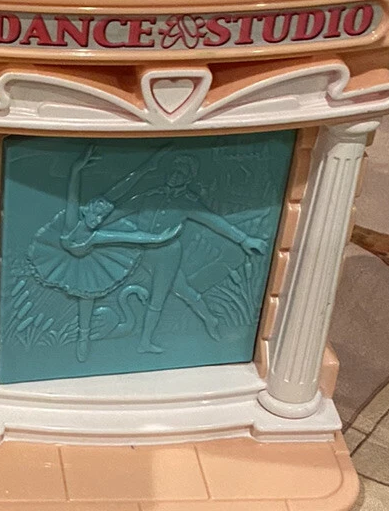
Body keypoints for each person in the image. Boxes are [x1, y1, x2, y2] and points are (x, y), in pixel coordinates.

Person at [25, 145, 182, 362]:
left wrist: (158, 239)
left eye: (101, 217)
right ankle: (82, 338)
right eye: (96, 214)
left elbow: (131, 237)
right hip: (60, 259)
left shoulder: (96, 235)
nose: (98, 220)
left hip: (89, 264)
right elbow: (73, 195)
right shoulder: (72, 223)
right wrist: (76, 170)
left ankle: (83, 338)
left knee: (87, 295)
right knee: (111, 199)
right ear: (87, 210)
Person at [117, 154, 268, 353]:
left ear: (188, 178)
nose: (175, 176)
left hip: (167, 255)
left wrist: (244, 239)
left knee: (158, 297)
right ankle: (210, 318)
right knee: (183, 289)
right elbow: (123, 210)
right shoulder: (151, 195)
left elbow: (214, 221)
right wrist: (95, 221)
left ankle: (145, 342)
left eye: (181, 173)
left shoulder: (187, 202)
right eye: (173, 171)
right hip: (142, 252)